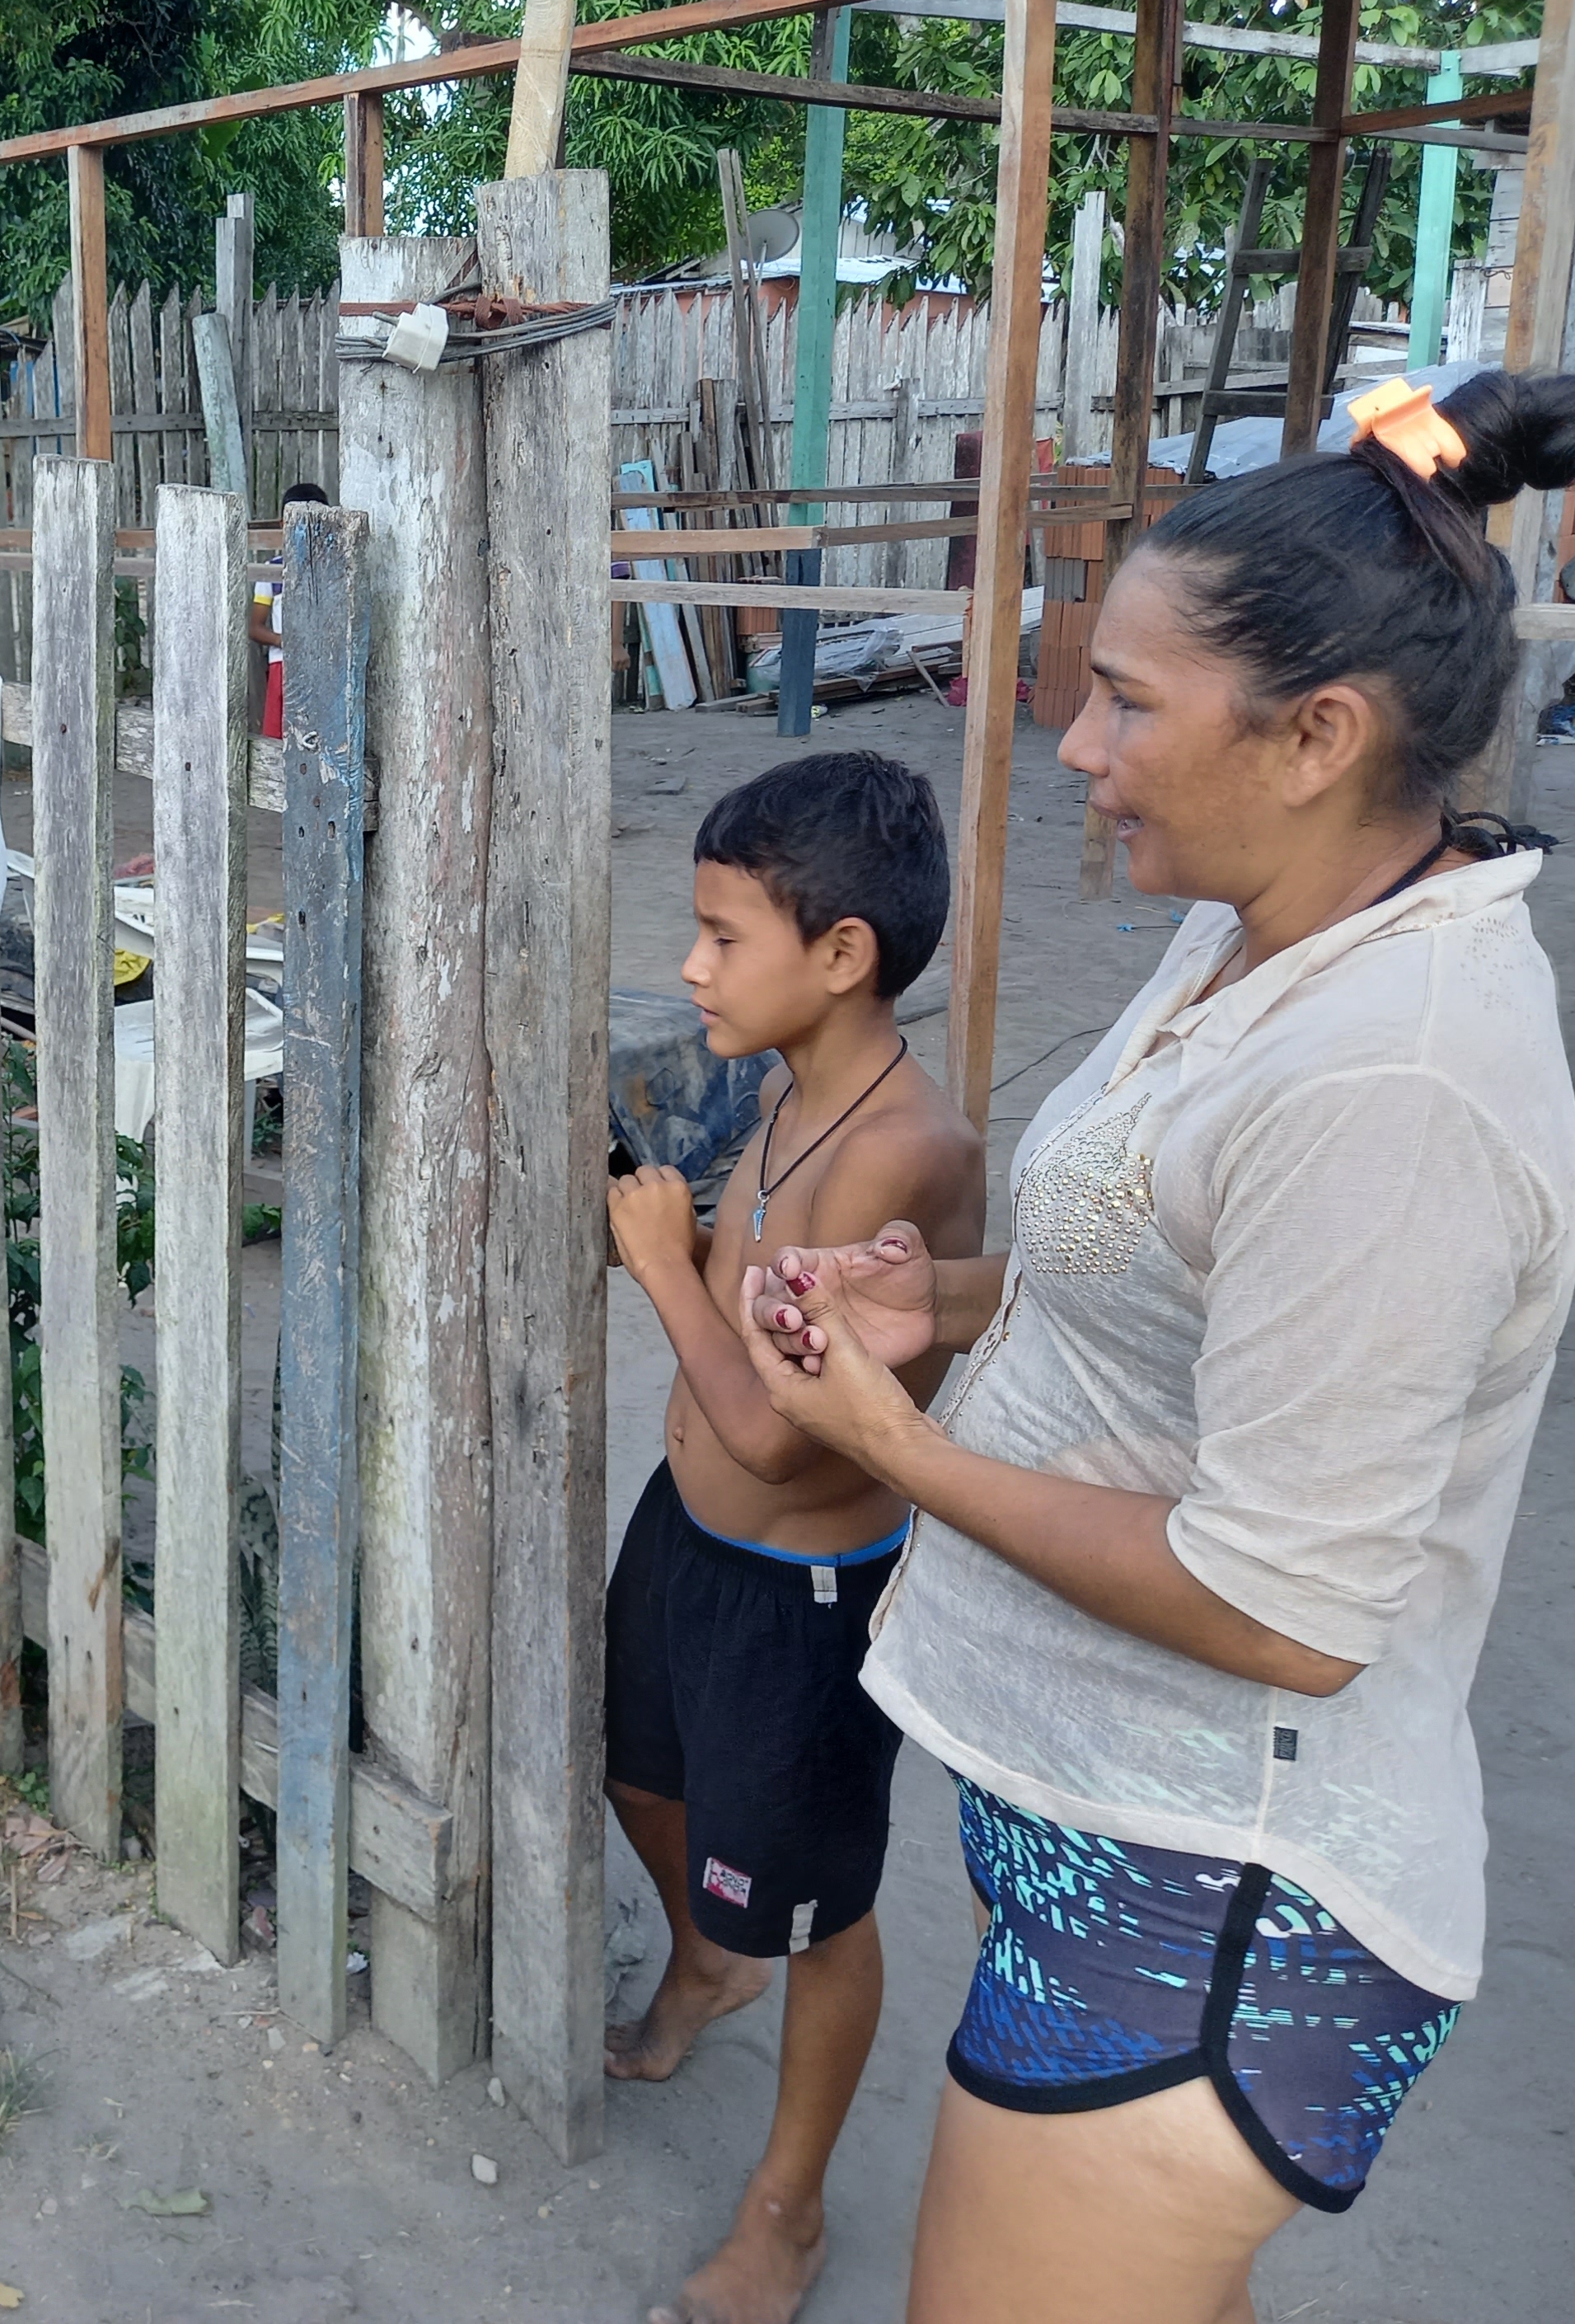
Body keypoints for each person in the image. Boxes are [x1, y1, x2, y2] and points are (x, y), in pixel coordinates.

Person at [735, 367, 1575, 2324]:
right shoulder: (1260, 923)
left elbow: (1285, 1604)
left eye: (1128, 699)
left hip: (1221, 1903)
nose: (1072, 744)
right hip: (1123, 1844)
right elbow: (1160, 1288)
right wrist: (936, 1302)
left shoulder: (1397, 1081)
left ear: (1316, 732)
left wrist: (903, 1442)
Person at [602, 751, 984, 2324]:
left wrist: (660, 1266)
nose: (691, 967)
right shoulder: (785, 1085)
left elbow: (778, 1427)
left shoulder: (911, 1153)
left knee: (819, 1911)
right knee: (640, 1774)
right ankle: (711, 1956)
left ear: (842, 957)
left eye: (720, 936)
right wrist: (707, 1246)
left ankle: (788, 2211)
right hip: (686, 1533)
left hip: (807, 1593)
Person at [247, 479, 330, 739]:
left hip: (323, 665)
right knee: (277, 736)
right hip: (282, 663)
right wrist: (283, 641)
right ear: (284, 525)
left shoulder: (333, 568)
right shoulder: (271, 571)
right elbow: (255, 627)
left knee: (320, 734)